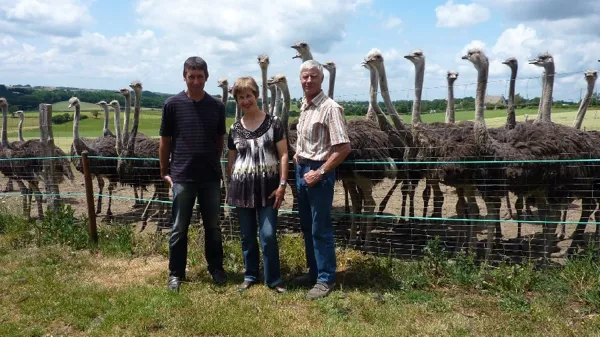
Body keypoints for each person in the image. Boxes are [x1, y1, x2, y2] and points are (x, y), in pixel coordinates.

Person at [159, 56, 227, 292]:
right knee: (179, 227)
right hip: (182, 176)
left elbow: (219, 139)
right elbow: (165, 141)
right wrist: (164, 171)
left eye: (200, 76)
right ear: (184, 77)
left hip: (209, 176)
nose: (196, 81)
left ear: (206, 77)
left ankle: (216, 268)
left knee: (213, 226)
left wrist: (212, 162)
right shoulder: (172, 104)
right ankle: (176, 274)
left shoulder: (217, 106)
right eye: (191, 76)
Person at [293, 60, 351, 299]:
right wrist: (298, 154)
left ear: (321, 79)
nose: (308, 81)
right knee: (307, 227)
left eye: (313, 77)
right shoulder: (305, 107)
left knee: (320, 228)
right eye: (305, 77)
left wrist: (321, 172)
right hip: (302, 170)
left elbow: (343, 147)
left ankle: (326, 279)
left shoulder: (330, 108)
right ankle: (314, 271)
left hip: (319, 173)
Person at [226, 76, 288, 294]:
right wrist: (230, 183)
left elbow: (283, 154)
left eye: (248, 96)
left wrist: (282, 184)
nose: (245, 100)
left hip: (269, 189)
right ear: (237, 100)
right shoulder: (234, 129)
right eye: (240, 97)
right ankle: (250, 275)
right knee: (247, 236)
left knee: (268, 235)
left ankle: (274, 278)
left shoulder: (274, 124)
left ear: (256, 96)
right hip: (242, 189)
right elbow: (232, 159)